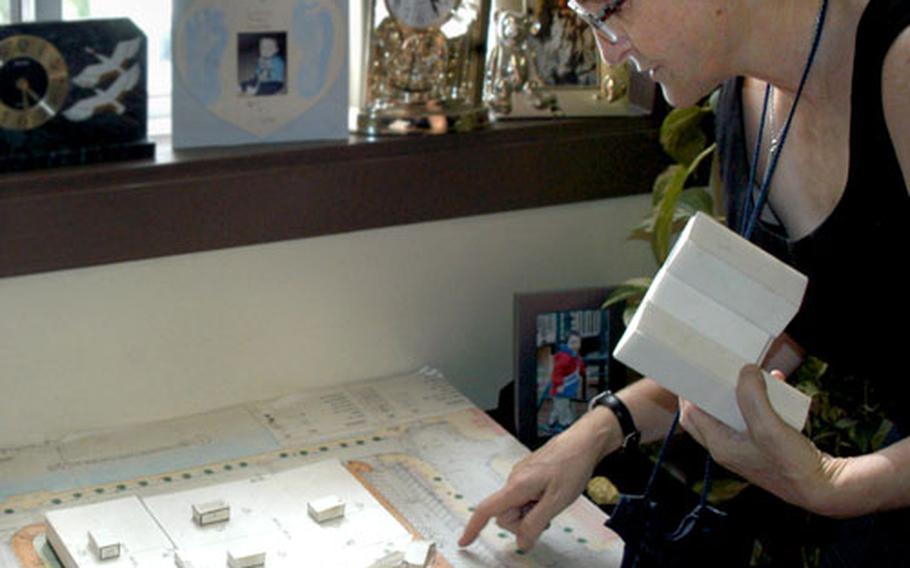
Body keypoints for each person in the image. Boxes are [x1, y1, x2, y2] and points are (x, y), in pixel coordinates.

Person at [460, 0, 910, 565]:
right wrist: (594, 433)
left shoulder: (901, 68)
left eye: (610, 11)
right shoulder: (748, 98)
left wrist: (834, 483)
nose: (609, 50)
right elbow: (736, 344)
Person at [546, 331, 587, 432]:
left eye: (577, 342)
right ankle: (566, 423)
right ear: (567, 344)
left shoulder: (575, 356)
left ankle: (552, 421)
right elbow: (557, 372)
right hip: (561, 388)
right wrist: (559, 384)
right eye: (572, 343)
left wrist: (583, 371)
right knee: (563, 407)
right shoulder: (564, 357)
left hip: (568, 388)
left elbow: (579, 366)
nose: (575, 345)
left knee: (559, 407)